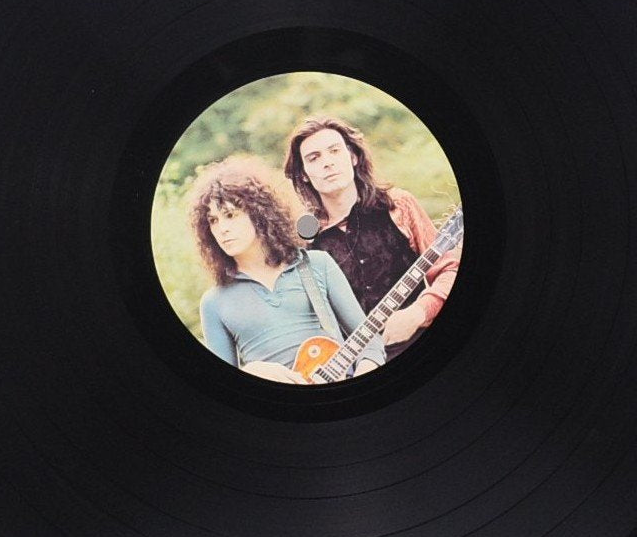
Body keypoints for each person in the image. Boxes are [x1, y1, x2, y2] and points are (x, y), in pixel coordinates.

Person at [189, 159, 385, 384]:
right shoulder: (214, 302)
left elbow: (369, 342)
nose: (222, 228)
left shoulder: (317, 264)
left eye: (230, 215)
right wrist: (250, 371)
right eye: (213, 220)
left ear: (259, 213)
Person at [283, 115, 460, 358]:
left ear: (353, 157)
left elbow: (450, 269)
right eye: (314, 158)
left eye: (334, 151)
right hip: (354, 366)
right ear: (303, 174)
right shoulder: (304, 241)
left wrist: (419, 311)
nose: (327, 163)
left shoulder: (398, 205)